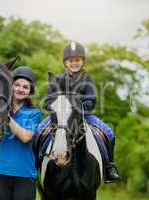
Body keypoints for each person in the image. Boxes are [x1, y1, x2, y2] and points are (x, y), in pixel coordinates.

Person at [43, 41, 120, 183]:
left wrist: (79, 109)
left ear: (82, 61)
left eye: (77, 60)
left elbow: (91, 99)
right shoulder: (58, 79)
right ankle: (38, 161)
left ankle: (109, 166)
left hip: (83, 115)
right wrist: (53, 106)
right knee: (38, 131)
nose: (74, 63)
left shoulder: (87, 79)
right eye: (71, 61)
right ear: (65, 62)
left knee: (108, 131)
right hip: (59, 116)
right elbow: (48, 99)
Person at [0, 66, 42, 200]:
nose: (21, 89)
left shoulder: (34, 113)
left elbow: (26, 137)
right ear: (10, 86)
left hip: (25, 175)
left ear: (30, 91)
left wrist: (7, 118)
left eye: (26, 87)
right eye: (17, 85)